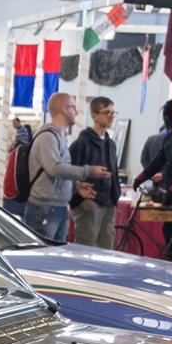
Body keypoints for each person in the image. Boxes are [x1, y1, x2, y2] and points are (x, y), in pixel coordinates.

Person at [28, 93, 108, 242]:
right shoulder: (47, 137)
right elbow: (55, 168)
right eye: (73, 108)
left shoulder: (60, 137)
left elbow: (58, 172)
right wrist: (88, 171)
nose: (76, 112)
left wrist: (76, 187)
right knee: (43, 257)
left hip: (59, 206)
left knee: (55, 257)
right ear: (64, 109)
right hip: (45, 208)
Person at [68, 97, 123, 249]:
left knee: (107, 248)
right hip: (89, 203)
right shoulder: (81, 144)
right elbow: (68, 173)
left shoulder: (110, 144)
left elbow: (114, 172)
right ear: (94, 115)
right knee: (86, 248)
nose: (111, 116)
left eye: (113, 112)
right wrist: (78, 200)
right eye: (106, 112)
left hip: (108, 202)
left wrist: (115, 195)